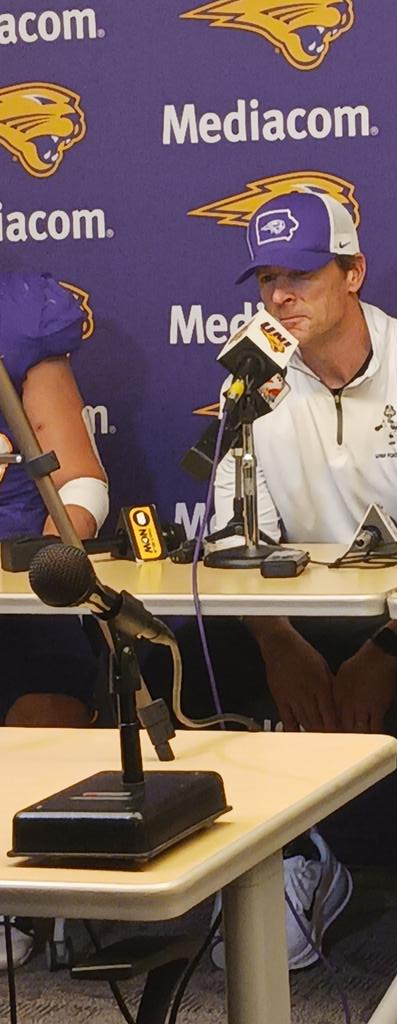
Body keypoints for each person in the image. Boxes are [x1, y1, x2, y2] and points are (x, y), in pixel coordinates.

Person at [147, 188, 397, 973]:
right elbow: (230, 543)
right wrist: (276, 641)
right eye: (266, 278)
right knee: (171, 660)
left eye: (303, 274)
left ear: (353, 272)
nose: (280, 296)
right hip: (302, 622)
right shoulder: (251, 380)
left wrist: (387, 651)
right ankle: (282, 865)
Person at [0, 270, 109, 967]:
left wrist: (49, 555)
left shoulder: (19, 315)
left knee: (44, 687)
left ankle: (17, 889)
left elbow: (80, 482)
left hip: (12, 573)